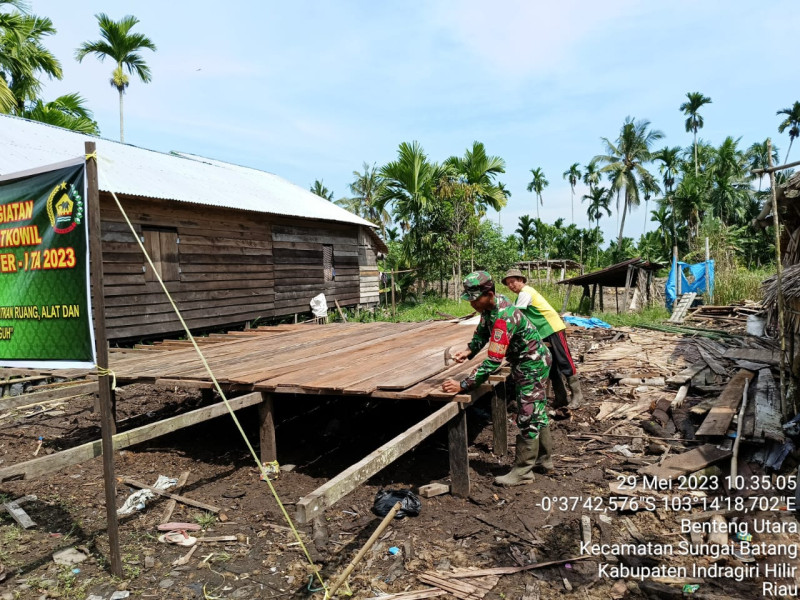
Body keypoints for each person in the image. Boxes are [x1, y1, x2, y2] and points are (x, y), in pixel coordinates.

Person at [442, 271, 552, 485]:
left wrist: (463, 384)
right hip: (529, 361)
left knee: (527, 414)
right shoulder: (491, 307)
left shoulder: (504, 317)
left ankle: (523, 471)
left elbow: (493, 361)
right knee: (537, 410)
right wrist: (469, 350)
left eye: (475, 298)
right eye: (470, 299)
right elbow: (483, 332)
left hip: (532, 364)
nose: (472, 303)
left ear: (489, 293)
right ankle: (544, 460)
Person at [501, 268, 584, 410]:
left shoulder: (525, 292)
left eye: (513, 282)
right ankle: (561, 397)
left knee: (564, 360)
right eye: (508, 283)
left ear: (521, 280)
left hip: (552, 328)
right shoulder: (522, 295)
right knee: (550, 364)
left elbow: (515, 315)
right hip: (542, 332)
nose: (511, 285)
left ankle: (578, 396)